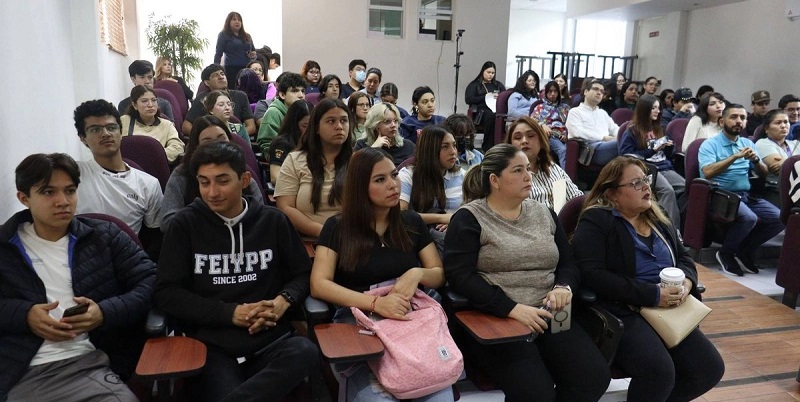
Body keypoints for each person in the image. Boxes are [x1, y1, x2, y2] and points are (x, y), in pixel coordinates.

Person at [444, 144, 610, 402]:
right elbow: (460, 278)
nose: (528, 176)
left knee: (593, 377)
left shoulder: (543, 212)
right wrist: (511, 308)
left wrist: (563, 287)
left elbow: (568, 263)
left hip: (550, 315)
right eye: (518, 170)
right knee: (536, 394)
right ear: (495, 180)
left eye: (528, 170)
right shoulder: (469, 218)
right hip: (498, 319)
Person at [154, 141, 319, 402]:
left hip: (272, 339)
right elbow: (167, 293)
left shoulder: (273, 221)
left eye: (222, 181)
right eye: (204, 182)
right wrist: (231, 314)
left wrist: (283, 301)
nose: (212, 192)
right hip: (213, 345)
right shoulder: (184, 225)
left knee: (306, 352)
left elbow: (302, 274)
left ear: (244, 180)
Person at [0, 152, 156, 402]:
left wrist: (104, 312)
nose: (63, 201)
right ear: (24, 198)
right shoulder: (5, 245)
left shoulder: (104, 236)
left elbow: (149, 282)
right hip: (22, 371)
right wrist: (24, 315)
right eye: (48, 192)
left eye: (70, 191)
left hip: (90, 364)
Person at [572, 156, 724, 402]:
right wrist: (653, 294)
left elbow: (684, 257)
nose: (646, 187)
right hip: (624, 308)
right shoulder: (597, 220)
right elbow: (592, 275)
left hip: (667, 309)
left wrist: (687, 281)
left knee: (709, 369)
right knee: (659, 372)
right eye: (635, 183)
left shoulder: (657, 215)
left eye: (646, 180)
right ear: (612, 194)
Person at [310, 147, 452, 402]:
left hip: (410, 312)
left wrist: (415, 273)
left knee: (436, 391)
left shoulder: (411, 221)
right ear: (360, 187)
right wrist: (376, 303)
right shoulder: (338, 227)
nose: (393, 185)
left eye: (394, 175)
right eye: (380, 179)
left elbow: (438, 274)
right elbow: (319, 284)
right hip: (359, 316)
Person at [698, 104, 784, 276]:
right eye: (734, 117)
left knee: (779, 218)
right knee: (749, 218)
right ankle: (726, 252)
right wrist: (735, 157)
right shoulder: (710, 144)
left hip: (745, 195)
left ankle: (744, 250)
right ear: (722, 121)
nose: (739, 121)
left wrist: (757, 161)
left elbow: (763, 173)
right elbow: (707, 172)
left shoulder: (747, 143)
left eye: (743, 118)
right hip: (720, 195)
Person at [73, 99, 162, 236]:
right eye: (95, 129)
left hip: (126, 254)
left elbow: (155, 238)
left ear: (120, 132)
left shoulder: (148, 184)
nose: (106, 134)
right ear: (83, 138)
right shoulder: (73, 175)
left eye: (111, 127)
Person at [160, 115, 264, 232]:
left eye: (221, 139)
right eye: (207, 142)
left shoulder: (238, 171)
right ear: (196, 146)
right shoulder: (182, 174)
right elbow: (167, 222)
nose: (216, 145)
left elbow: (260, 216)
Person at [275, 98, 353, 239]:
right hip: (307, 241)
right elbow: (285, 207)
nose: (339, 127)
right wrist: (324, 232)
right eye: (331, 121)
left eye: (344, 120)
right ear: (316, 127)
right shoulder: (295, 160)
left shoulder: (358, 161)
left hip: (352, 239)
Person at [618, 94, 684, 229]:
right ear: (645, 109)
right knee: (667, 191)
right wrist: (652, 150)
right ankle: (670, 230)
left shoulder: (660, 128)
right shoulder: (632, 130)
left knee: (686, 188)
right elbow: (626, 156)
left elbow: (668, 155)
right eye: (654, 108)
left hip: (665, 167)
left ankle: (661, 218)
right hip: (646, 169)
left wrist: (669, 148)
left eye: (658, 108)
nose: (658, 111)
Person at [399, 125, 464, 254]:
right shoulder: (408, 174)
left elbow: (476, 209)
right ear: (430, 150)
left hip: (456, 234)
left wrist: (455, 221)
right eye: (445, 147)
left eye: (454, 145)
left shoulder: (462, 174)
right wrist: (441, 218)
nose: (453, 152)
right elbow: (400, 215)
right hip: (420, 238)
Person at [505, 117, 582, 211]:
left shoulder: (553, 168)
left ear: (541, 141)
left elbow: (576, 199)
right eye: (518, 137)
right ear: (510, 145)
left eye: (530, 136)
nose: (524, 141)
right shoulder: (506, 176)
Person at [184, 64, 255, 137]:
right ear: (207, 83)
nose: (221, 77)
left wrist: (233, 137)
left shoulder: (240, 96)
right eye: (215, 75)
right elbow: (186, 126)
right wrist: (205, 137)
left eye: (222, 74)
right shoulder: (201, 98)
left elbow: (251, 127)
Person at [120, 85, 185, 164]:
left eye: (154, 100)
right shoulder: (124, 121)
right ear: (135, 105)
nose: (150, 105)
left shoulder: (167, 125)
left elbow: (177, 147)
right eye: (144, 101)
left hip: (156, 167)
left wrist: (151, 155)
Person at [565, 79, 620, 165]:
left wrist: (622, 136)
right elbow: (577, 132)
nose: (599, 93)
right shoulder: (575, 112)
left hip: (606, 145)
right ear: (586, 92)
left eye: (602, 91)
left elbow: (614, 128)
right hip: (589, 149)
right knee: (621, 144)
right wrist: (603, 138)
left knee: (628, 141)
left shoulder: (603, 113)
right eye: (596, 89)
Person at [257, 72, 306, 155]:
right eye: (295, 91)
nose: (301, 95)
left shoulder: (304, 111)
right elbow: (267, 145)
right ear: (282, 95)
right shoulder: (273, 113)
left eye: (303, 91)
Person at [355, 102, 415, 166]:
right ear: (375, 125)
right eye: (387, 121)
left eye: (395, 121)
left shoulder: (408, 146)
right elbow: (355, 170)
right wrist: (374, 149)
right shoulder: (361, 145)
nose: (393, 125)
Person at [269, 100, 312, 184]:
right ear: (294, 125)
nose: (310, 130)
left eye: (312, 126)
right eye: (305, 126)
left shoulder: (317, 142)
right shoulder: (281, 143)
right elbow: (275, 177)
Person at [465, 61, 506, 149]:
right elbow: (468, 99)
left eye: (493, 73)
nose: (490, 75)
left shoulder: (498, 85)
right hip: (481, 112)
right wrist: (485, 97)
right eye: (488, 72)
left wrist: (499, 97)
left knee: (500, 116)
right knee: (491, 116)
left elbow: (505, 96)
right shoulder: (475, 85)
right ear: (483, 71)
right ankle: (488, 147)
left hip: (496, 110)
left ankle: (501, 145)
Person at [532, 80, 571, 168]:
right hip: (549, 135)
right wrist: (542, 125)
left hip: (563, 136)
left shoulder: (565, 108)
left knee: (573, 150)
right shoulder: (540, 107)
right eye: (550, 91)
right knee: (563, 150)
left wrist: (566, 134)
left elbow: (570, 124)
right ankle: (566, 179)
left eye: (555, 91)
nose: (553, 94)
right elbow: (532, 121)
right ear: (546, 93)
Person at [214, 11, 256, 89]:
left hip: (246, 69)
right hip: (231, 69)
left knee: (247, 91)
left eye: (239, 20)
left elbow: (253, 51)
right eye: (234, 19)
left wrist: (253, 54)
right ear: (228, 22)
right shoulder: (223, 35)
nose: (237, 22)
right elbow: (218, 53)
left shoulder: (247, 36)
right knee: (234, 91)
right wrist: (215, 69)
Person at [755, 109, 800, 177]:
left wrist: (786, 161)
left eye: (786, 122)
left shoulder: (795, 143)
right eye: (778, 123)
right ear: (766, 128)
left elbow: (786, 166)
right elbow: (782, 171)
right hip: (777, 185)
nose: (783, 126)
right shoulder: (763, 143)